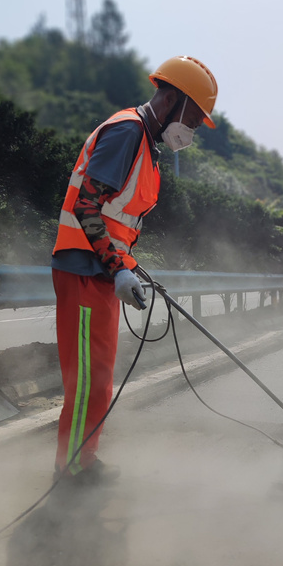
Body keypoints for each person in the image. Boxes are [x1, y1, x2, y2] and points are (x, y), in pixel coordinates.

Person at [51, 56, 218, 486]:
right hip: (85, 271)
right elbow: (86, 204)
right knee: (87, 379)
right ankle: (71, 471)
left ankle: (84, 460)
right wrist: (116, 267)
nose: (194, 131)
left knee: (101, 376)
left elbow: (115, 220)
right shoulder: (127, 131)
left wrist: (127, 267)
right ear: (174, 100)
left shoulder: (146, 144)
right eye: (195, 119)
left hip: (103, 272)